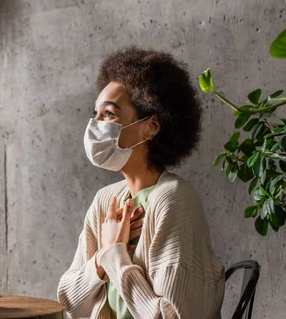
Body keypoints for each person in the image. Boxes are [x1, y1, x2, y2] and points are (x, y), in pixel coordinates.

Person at [57, 47, 225, 318]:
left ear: (152, 127)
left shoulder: (173, 199)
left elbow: (172, 315)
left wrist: (115, 254)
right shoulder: (106, 201)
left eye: (109, 114)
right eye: (95, 114)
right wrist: (101, 260)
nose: (95, 124)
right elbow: (69, 302)